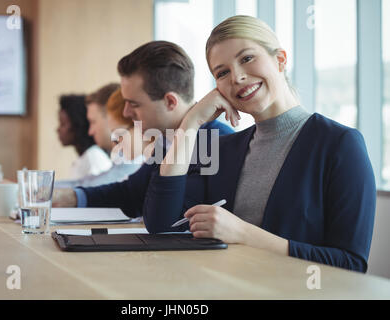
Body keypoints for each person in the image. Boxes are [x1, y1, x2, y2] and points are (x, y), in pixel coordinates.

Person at [142, 15, 376, 272]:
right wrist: (191, 122)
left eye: (247, 58)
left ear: (280, 60)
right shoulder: (224, 148)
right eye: (223, 73)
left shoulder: (340, 144)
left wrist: (243, 233)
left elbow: (351, 265)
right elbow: (161, 226)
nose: (237, 77)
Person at [52, 41, 235, 217]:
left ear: (170, 101)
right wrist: (71, 197)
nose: (126, 112)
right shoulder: (165, 140)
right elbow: (131, 193)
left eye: (134, 104)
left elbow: (163, 220)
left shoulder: (218, 143)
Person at [56, 94, 112, 180]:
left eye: (63, 124)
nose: (57, 129)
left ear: (77, 125)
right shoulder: (83, 159)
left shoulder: (94, 157)